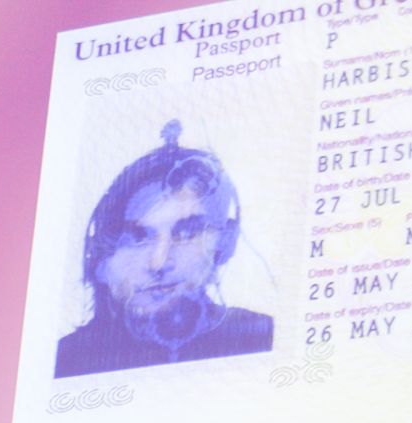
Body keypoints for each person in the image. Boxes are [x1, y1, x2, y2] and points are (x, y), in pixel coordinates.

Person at [55, 120, 274, 378]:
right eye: (138, 238)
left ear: (223, 243)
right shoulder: (66, 362)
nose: (159, 263)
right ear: (104, 257)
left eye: (186, 234)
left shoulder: (260, 337)